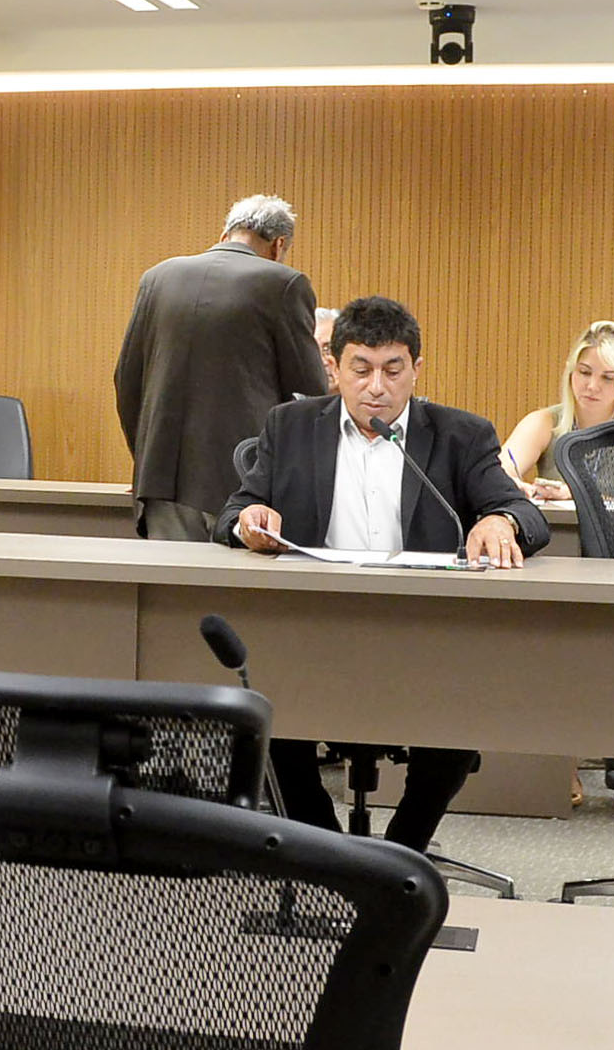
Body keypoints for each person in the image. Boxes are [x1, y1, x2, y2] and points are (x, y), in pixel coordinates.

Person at [218, 296, 549, 849]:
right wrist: (249, 522)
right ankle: (326, 849)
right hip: (312, 631)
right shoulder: (290, 427)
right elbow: (233, 513)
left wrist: (502, 521)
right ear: (334, 368)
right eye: (361, 369)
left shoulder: (460, 435)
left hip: (425, 635)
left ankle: (402, 850)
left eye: (393, 370)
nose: (377, 387)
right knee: (264, 708)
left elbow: (524, 513)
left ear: (416, 369)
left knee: (463, 708)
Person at [114, 194, 330, 541]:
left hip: (160, 479)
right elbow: (309, 392)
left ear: (225, 234)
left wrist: (143, 458)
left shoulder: (157, 277)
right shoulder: (283, 283)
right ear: (279, 245)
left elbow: (126, 380)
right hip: (239, 482)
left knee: (169, 577)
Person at [502, 320, 614, 502]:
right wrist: (516, 486)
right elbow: (499, 472)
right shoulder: (545, 422)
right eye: (584, 372)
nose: (592, 386)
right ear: (571, 372)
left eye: (607, 378)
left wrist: (575, 494)